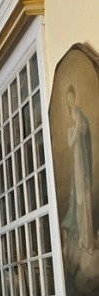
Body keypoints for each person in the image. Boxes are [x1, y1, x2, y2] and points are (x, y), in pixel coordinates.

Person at [61, 84, 94, 254]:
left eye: (72, 98)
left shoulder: (81, 118)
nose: (71, 102)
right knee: (79, 203)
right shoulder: (70, 127)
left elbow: (86, 132)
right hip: (77, 168)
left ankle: (89, 241)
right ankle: (82, 238)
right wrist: (76, 126)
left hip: (84, 166)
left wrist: (81, 126)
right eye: (68, 100)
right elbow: (71, 142)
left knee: (86, 202)